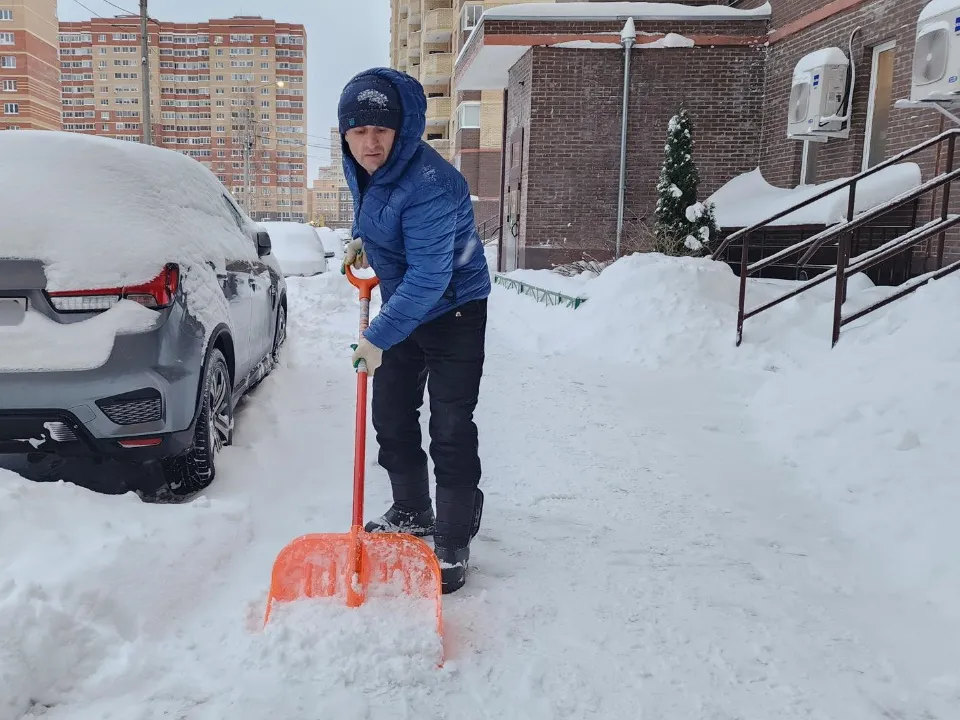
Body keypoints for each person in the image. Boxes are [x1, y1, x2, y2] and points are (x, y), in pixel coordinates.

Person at [337, 67, 491, 594]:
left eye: (381, 130)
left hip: (454, 310)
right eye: (358, 131)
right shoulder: (365, 167)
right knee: (391, 416)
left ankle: (451, 535)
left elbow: (431, 276)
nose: (369, 142)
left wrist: (377, 336)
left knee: (449, 426)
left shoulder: (433, 184)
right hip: (407, 306)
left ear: (403, 131)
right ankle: (411, 509)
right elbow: (376, 209)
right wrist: (363, 240)